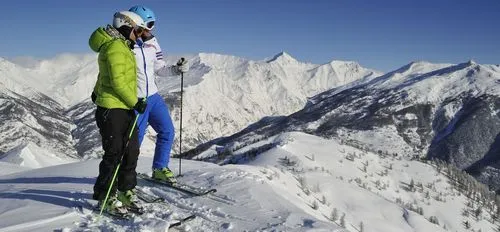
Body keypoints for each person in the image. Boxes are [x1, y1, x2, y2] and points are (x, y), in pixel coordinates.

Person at [88, 10, 148, 215]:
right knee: (114, 153)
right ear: (126, 25)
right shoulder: (115, 47)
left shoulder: (123, 46)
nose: (139, 35)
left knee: (131, 150)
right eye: (138, 31)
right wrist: (136, 102)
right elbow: (117, 81)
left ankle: (125, 190)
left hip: (123, 107)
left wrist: (96, 91)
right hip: (113, 108)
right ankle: (105, 195)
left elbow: (104, 76)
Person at [128, 5, 189, 183]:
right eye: (147, 25)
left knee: (167, 131)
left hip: (153, 97)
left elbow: (159, 69)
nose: (150, 29)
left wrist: (177, 70)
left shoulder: (153, 42)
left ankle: (160, 168)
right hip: (135, 99)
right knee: (135, 141)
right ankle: (125, 174)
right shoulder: (127, 44)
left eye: (152, 25)